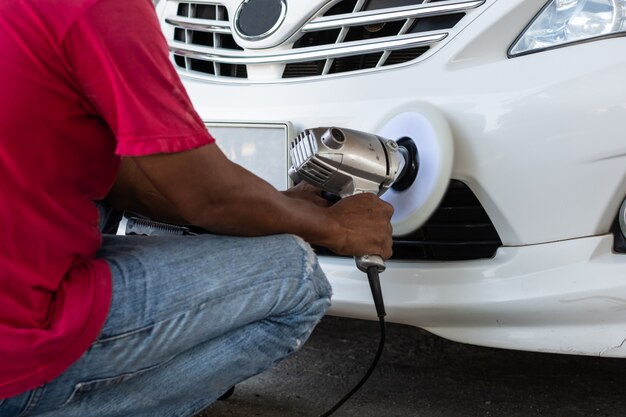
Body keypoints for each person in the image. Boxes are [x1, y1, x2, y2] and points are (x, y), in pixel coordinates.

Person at [0, 0, 393, 416]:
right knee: (297, 277)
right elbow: (208, 197)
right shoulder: (100, 8)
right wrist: (333, 227)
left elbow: (130, 181)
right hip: (17, 351)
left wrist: (276, 205)